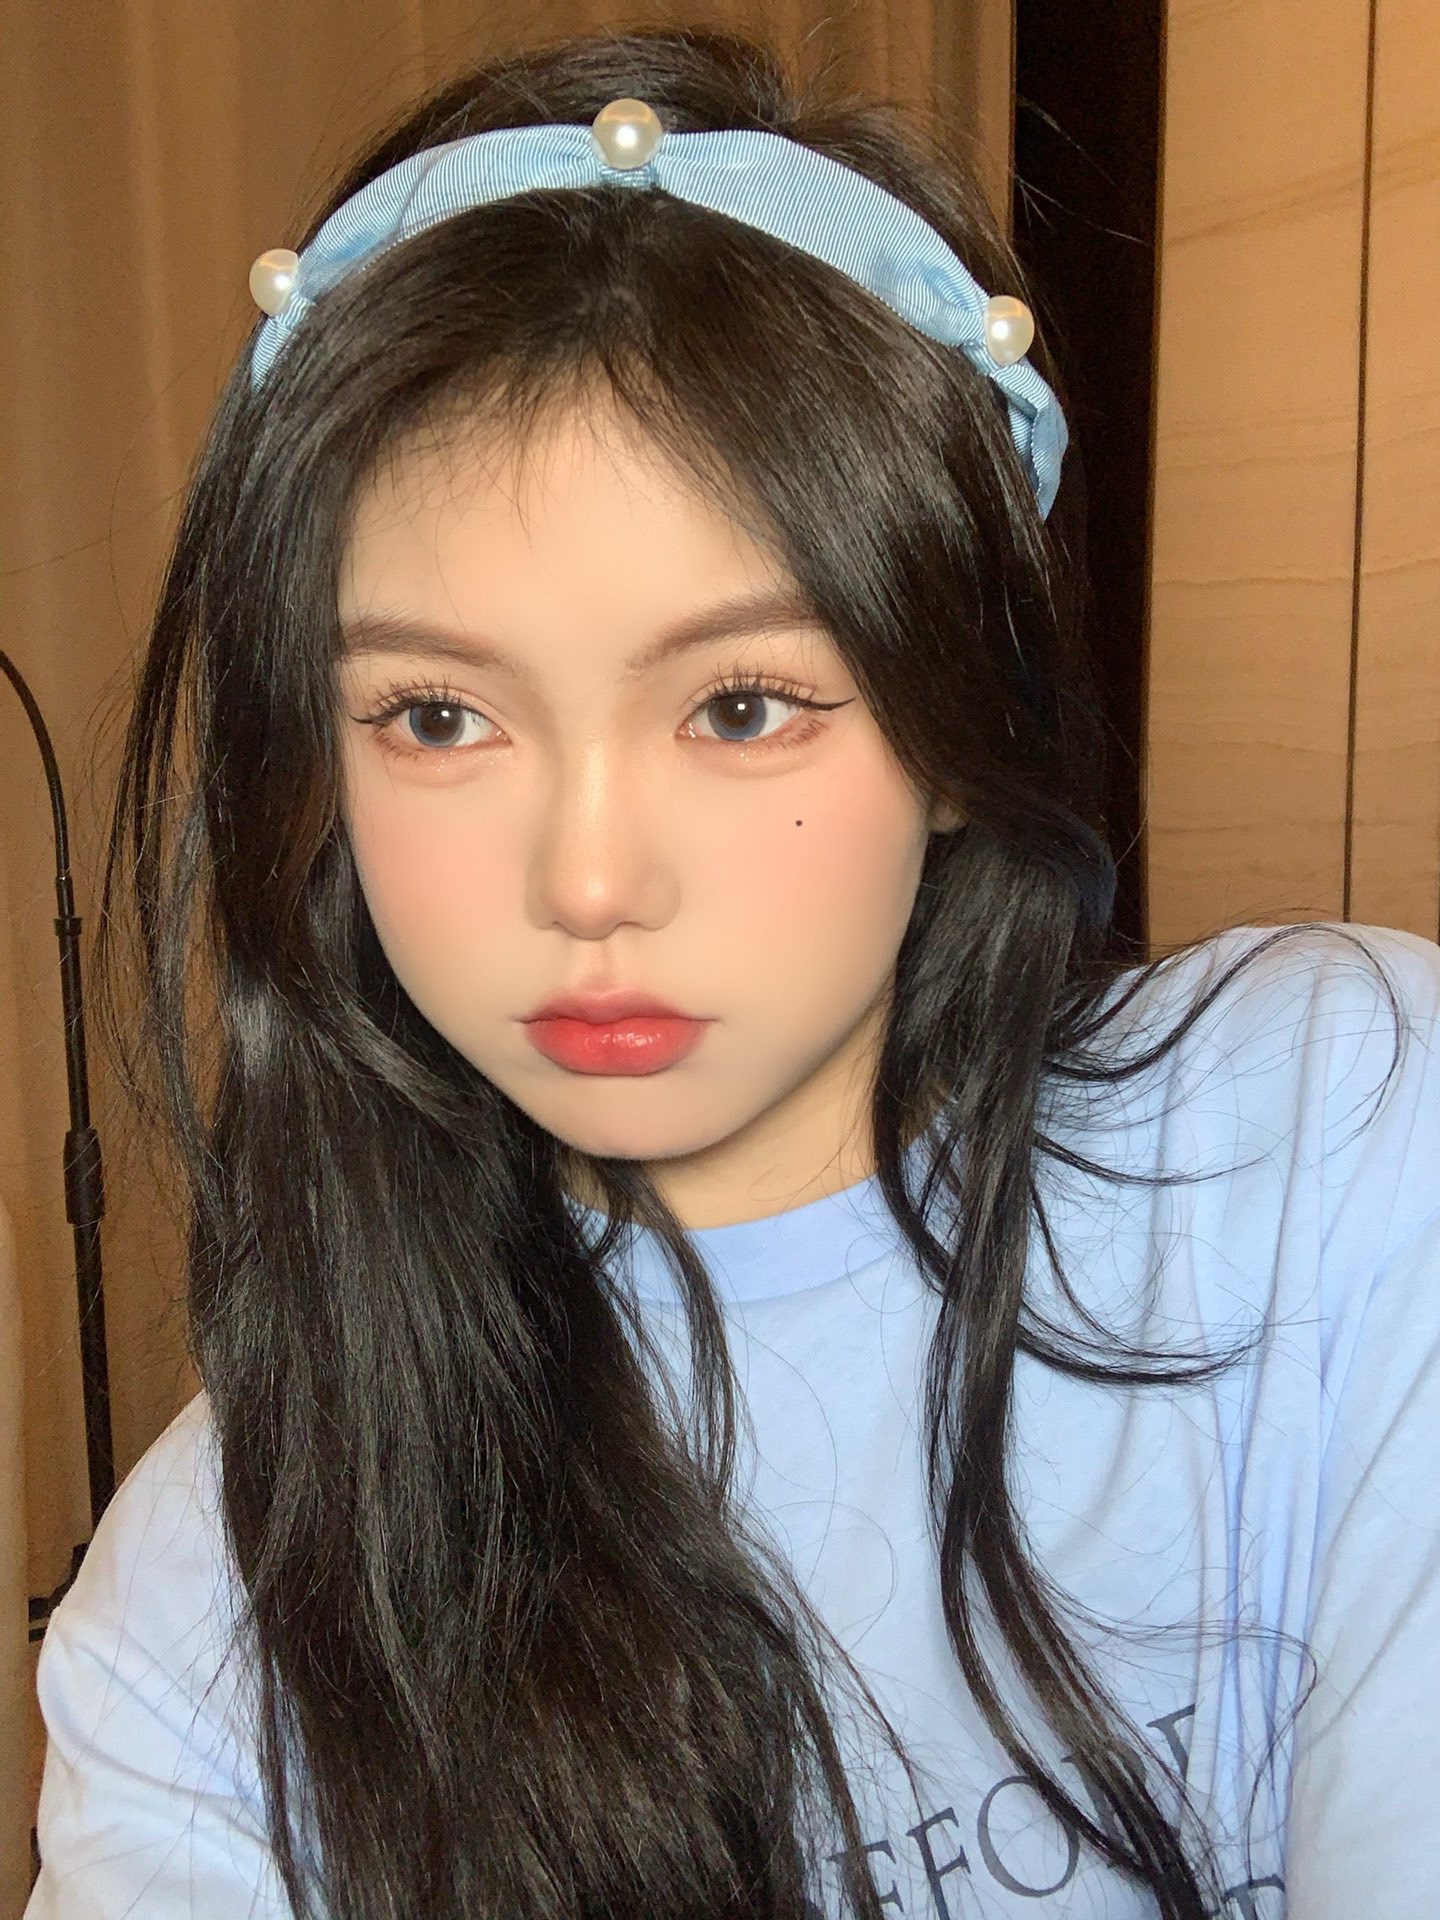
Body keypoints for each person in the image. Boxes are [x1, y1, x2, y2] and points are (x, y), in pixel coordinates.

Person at [24, 23, 1440, 1920]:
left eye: (744, 704)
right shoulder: (215, 1603)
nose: (588, 879)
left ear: (955, 721)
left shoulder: (1332, 1144)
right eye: (437, 716)